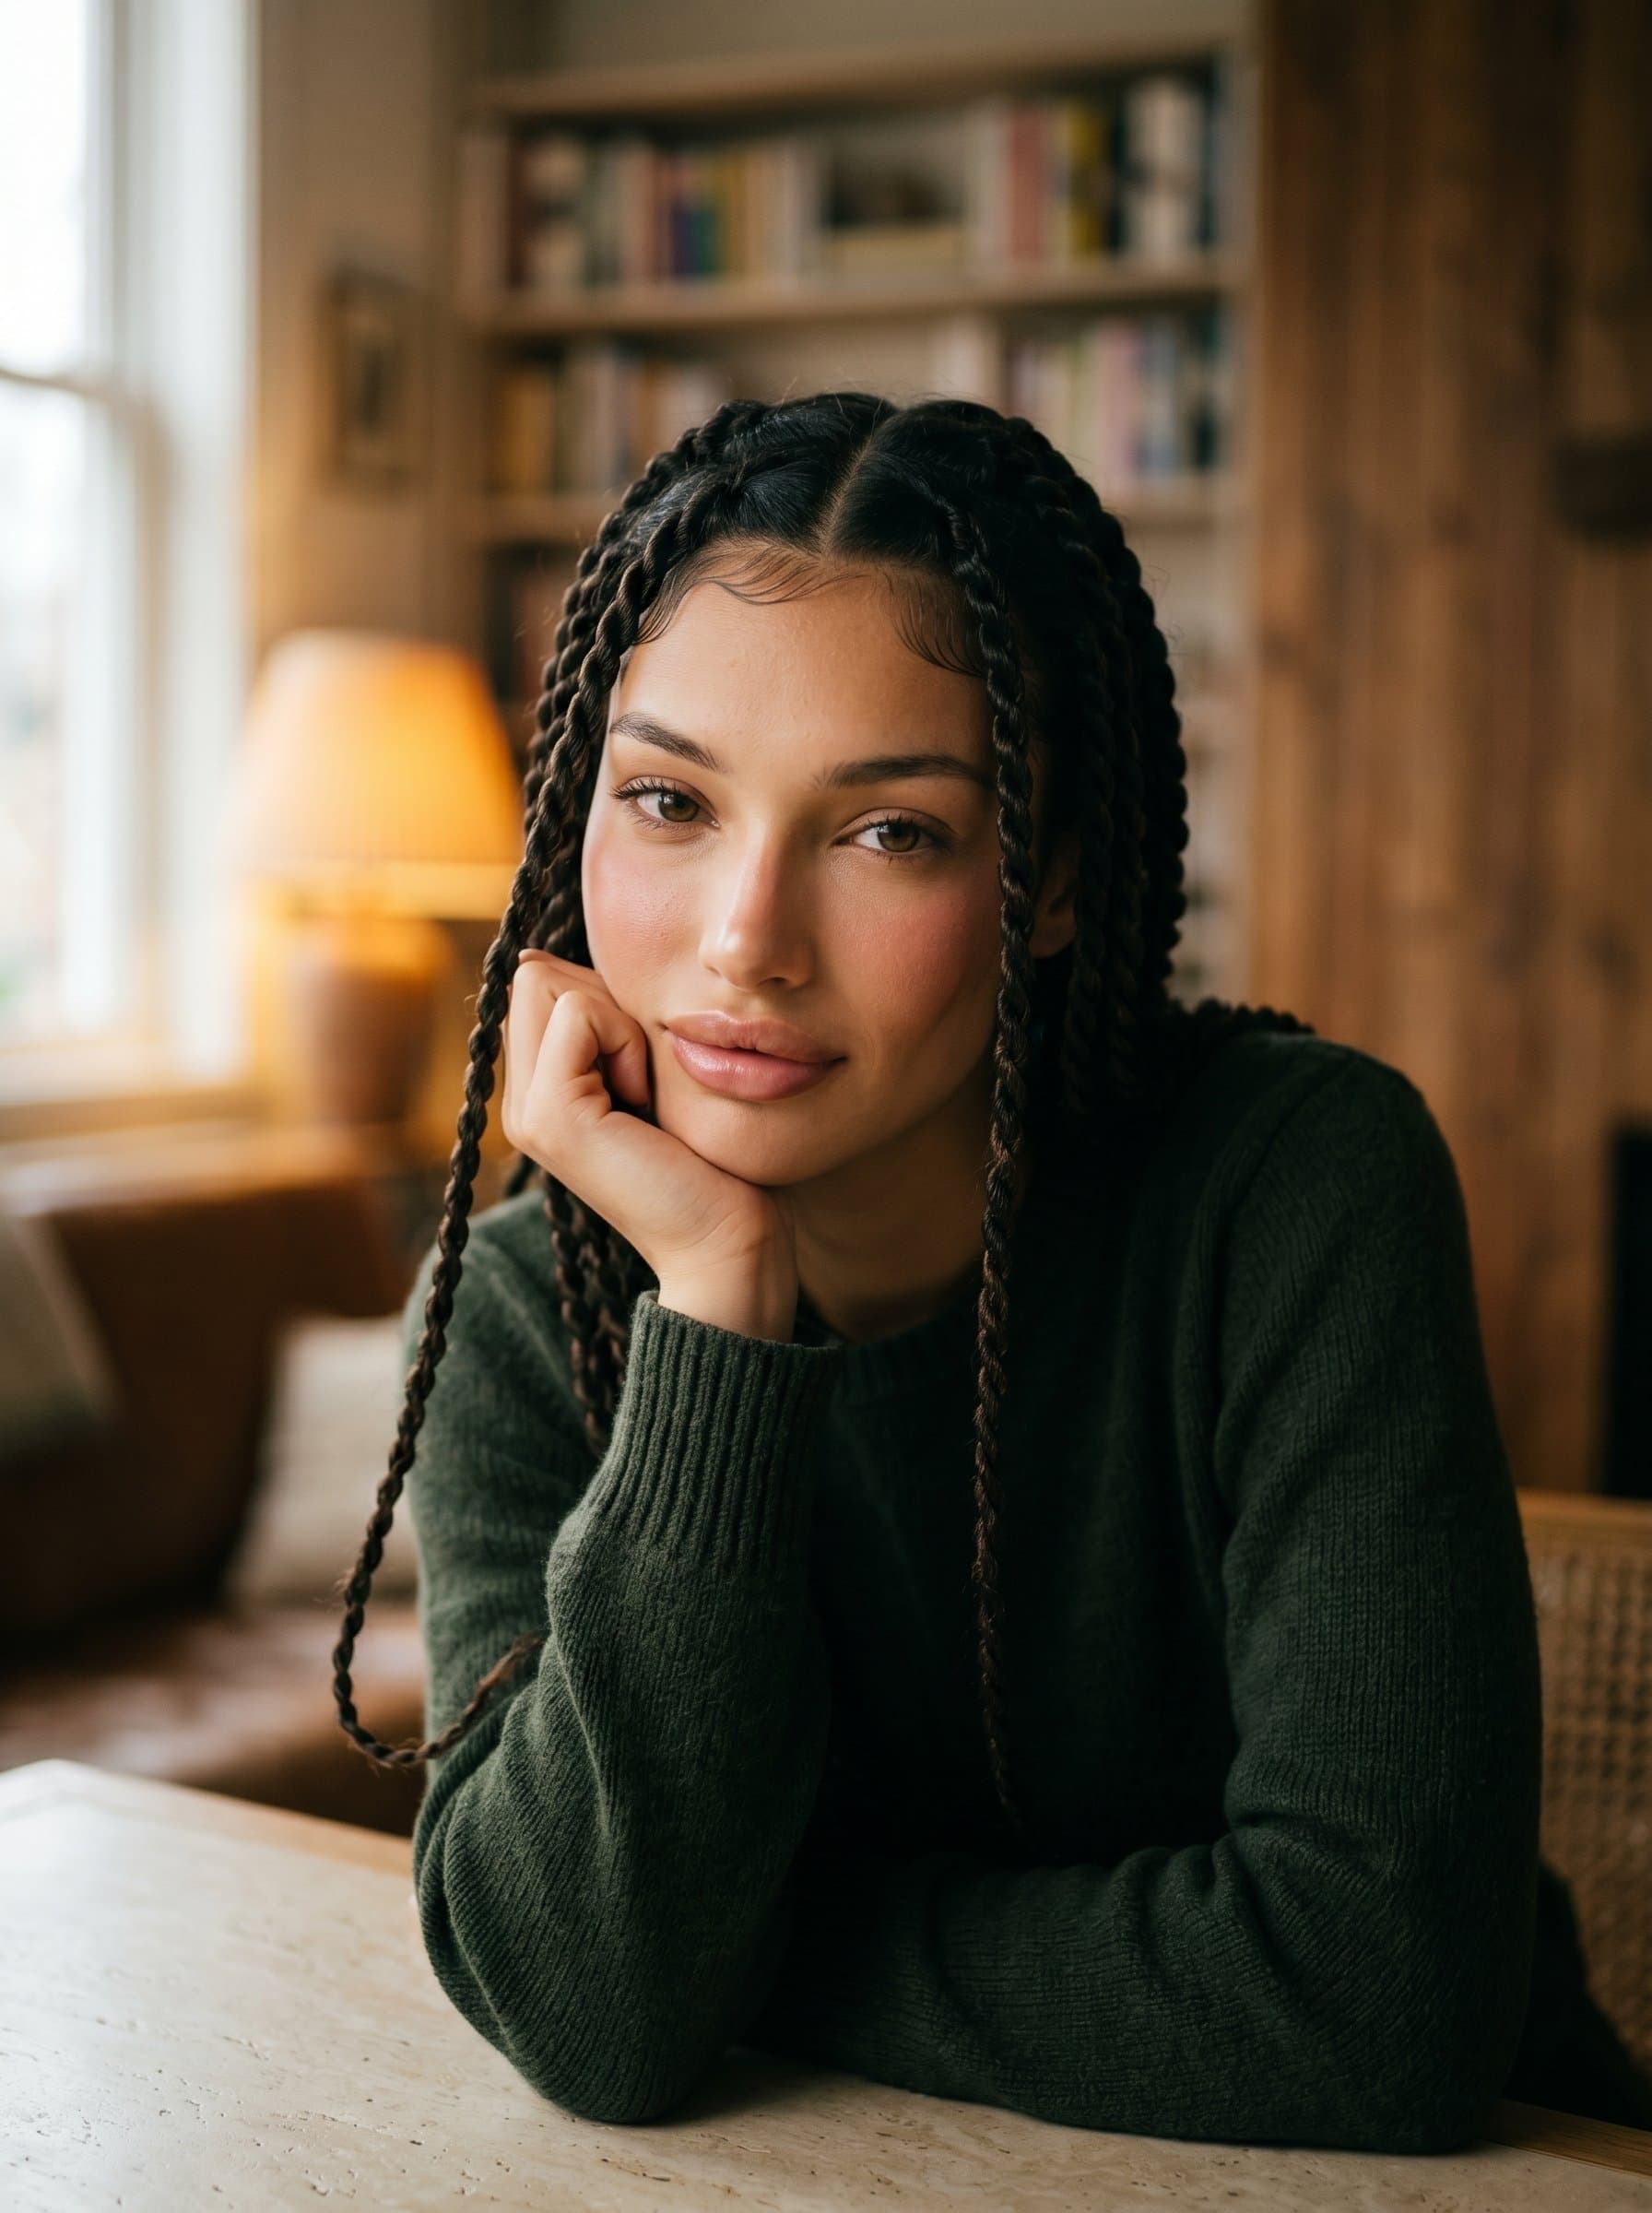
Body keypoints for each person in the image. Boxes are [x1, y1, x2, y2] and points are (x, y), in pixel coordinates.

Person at [328, 393, 1652, 2148]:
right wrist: (722, 1303)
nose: (745, 942)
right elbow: (596, 2022)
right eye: (668, 801)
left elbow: (1376, 1997)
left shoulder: (1291, 1191)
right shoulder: (521, 1314)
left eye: (892, 833)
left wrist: (753, 1945)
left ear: (1053, 883)